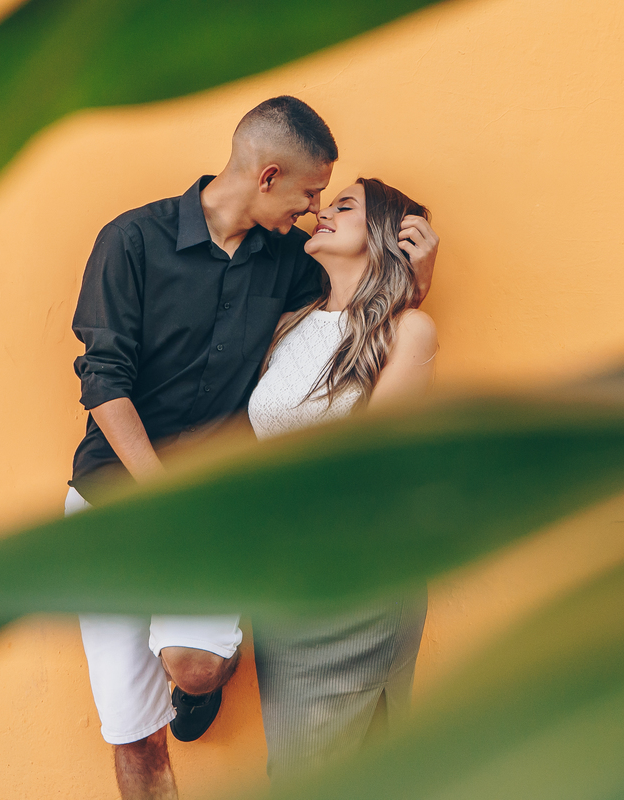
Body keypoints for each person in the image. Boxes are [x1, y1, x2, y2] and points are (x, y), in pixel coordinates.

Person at [64, 97, 439, 800]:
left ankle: (198, 687)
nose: (315, 209)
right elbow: (103, 378)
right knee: (132, 733)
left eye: (330, 200)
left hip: (213, 508)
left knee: (194, 666)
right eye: (310, 192)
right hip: (113, 498)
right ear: (269, 176)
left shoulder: (291, 263)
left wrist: (417, 275)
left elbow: (370, 314)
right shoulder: (132, 240)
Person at [247, 177, 438, 782]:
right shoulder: (289, 328)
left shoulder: (407, 331)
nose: (321, 213)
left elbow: (369, 466)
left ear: (381, 234)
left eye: (344, 206)